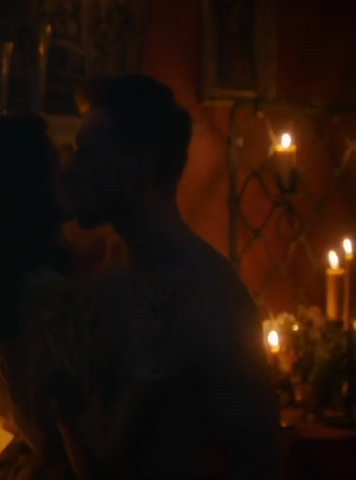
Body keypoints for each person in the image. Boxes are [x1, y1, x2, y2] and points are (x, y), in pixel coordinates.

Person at [0, 114, 159, 480]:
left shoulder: (2, 293)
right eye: (56, 164)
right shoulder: (49, 307)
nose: (69, 173)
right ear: (29, 187)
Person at [67, 74, 281, 479]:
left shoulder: (213, 298)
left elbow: (257, 461)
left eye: (87, 155)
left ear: (141, 168)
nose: (72, 171)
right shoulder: (102, 281)